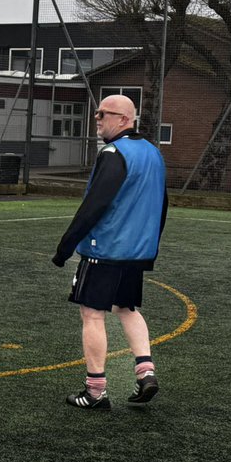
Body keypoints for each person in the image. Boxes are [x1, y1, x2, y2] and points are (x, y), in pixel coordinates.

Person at [52, 94, 167, 409]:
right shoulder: (153, 153)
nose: (97, 118)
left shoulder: (114, 153)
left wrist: (65, 247)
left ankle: (95, 392)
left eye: (103, 113)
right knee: (126, 308)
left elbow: (95, 205)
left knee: (92, 313)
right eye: (97, 113)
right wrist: (150, 245)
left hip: (105, 249)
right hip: (136, 251)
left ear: (124, 120)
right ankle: (146, 372)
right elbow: (163, 204)